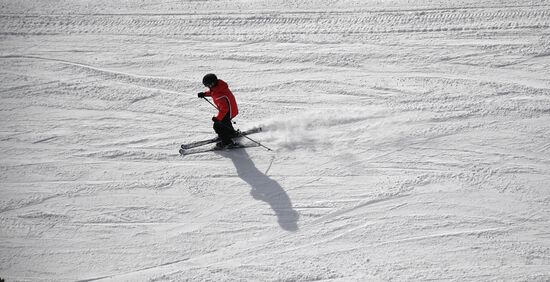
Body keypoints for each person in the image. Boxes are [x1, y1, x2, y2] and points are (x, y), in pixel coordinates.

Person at [198, 73, 239, 148]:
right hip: (231, 109)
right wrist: (204, 94)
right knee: (225, 122)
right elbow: (213, 92)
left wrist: (218, 119)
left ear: (212, 83)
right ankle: (231, 133)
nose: (207, 87)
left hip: (228, 111)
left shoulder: (219, 94)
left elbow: (224, 109)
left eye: (207, 85)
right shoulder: (219, 86)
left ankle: (227, 143)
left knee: (218, 126)